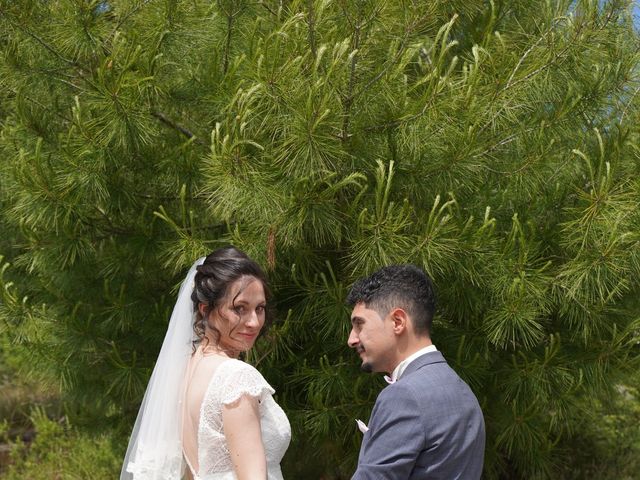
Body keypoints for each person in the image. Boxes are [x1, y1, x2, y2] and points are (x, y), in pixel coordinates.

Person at [121, 246, 290, 480]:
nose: (253, 322)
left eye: (259, 308)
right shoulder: (236, 377)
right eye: (239, 308)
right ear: (206, 310)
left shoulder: (184, 370)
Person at [347, 264, 485, 479]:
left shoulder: (404, 397)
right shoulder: (463, 390)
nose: (352, 339)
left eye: (359, 325)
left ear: (398, 322)